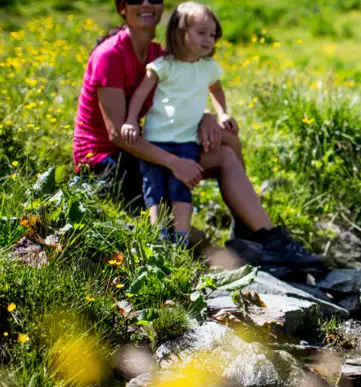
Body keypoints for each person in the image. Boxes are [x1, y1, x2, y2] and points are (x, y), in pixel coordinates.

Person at [72, 0, 323, 270]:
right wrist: (175, 163)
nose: (146, 3)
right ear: (122, 7)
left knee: (227, 143)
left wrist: (207, 117)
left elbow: (178, 99)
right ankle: (259, 234)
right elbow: (119, 136)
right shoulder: (109, 55)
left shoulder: (157, 54)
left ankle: (259, 233)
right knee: (221, 157)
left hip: (141, 152)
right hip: (105, 165)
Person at [120, 2, 230, 245]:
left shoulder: (208, 68)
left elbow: (217, 90)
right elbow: (139, 95)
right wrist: (130, 121)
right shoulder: (163, 65)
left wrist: (221, 114)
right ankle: (158, 235)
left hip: (187, 141)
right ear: (181, 33)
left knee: (182, 188)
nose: (208, 39)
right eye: (201, 33)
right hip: (156, 139)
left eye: (212, 35)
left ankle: (180, 238)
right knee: (154, 187)